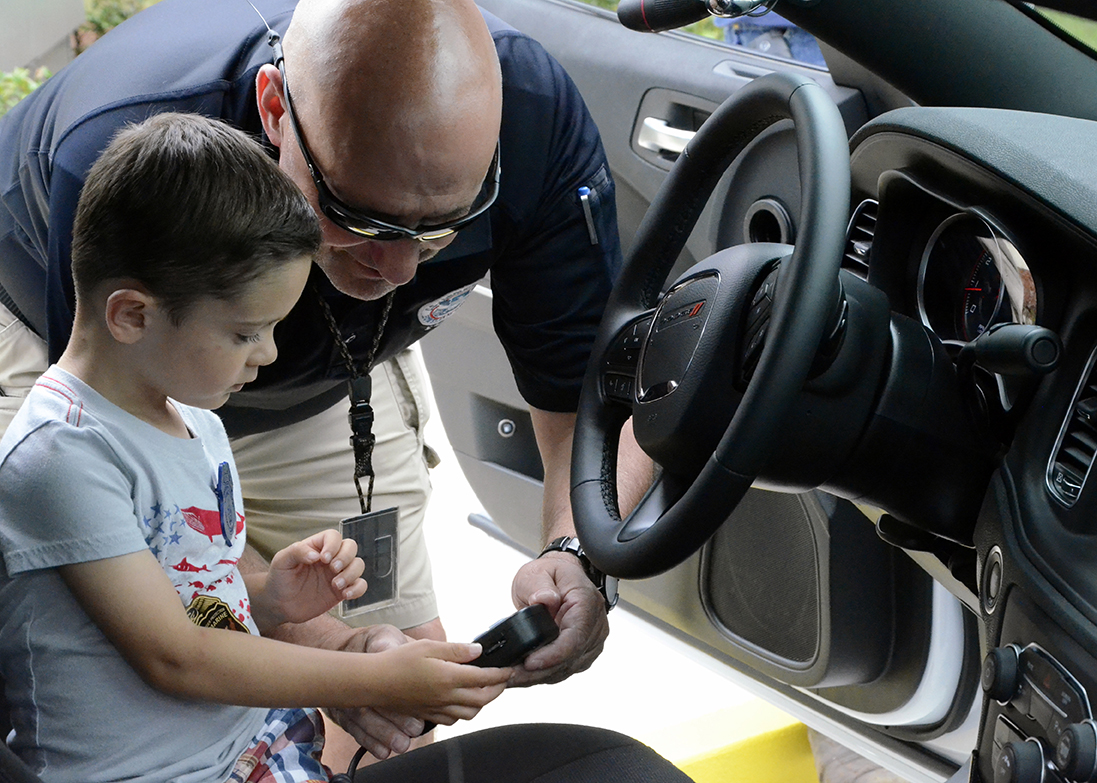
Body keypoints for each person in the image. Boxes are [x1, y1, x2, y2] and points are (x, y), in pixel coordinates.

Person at [0, 0, 653, 766]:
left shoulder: (531, 122)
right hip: (87, 349)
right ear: (276, 111)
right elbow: (172, 648)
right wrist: (341, 663)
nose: (404, 271)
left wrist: (578, 554)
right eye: (360, 218)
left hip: (239, 378)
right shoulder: (134, 167)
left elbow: (593, 395)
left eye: (444, 225)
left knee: (403, 685)